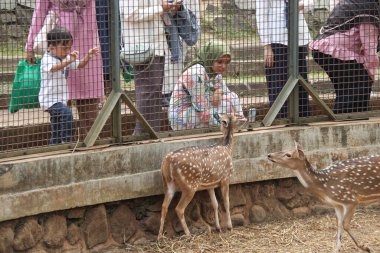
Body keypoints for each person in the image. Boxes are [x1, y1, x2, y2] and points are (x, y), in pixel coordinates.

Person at [25, 0, 104, 139]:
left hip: (87, 35)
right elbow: (39, 12)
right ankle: (61, 142)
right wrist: (30, 46)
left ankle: (92, 140)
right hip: (60, 40)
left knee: (89, 98)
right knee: (60, 99)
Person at [310, 0, 380, 114]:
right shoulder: (368, 8)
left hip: (324, 48)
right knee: (362, 81)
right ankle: (352, 118)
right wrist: (371, 74)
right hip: (333, 50)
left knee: (347, 88)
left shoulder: (354, 2)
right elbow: (369, 47)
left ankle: (344, 117)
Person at [120, 0, 178, 135]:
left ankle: (152, 133)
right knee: (147, 93)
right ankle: (141, 134)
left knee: (155, 92)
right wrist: (159, 8)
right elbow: (130, 14)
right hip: (142, 48)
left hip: (158, 45)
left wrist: (169, 8)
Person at [39, 27, 100, 144]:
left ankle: (54, 145)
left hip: (60, 99)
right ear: (51, 48)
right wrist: (69, 60)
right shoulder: (47, 59)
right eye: (64, 48)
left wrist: (88, 56)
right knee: (67, 113)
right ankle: (66, 142)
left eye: (69, 48)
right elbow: (55, 68)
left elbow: (80, 65)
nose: (67, 51)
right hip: (49, 100)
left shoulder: (65, 58)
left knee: (56, 125)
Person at [168, 41, 245, 130]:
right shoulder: (196, 72)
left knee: (233, 97)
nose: (223, 66)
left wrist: (219, 91)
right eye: (219, 62)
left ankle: (240, 124)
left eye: (226, 62)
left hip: (200, 110)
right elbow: (201, 110)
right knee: (221, 114)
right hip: (182, 116)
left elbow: (227, 94)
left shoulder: (216, 74)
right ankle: (230, 126)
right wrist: (225, 121)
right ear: (210, 58)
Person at [255, 0, 312, 118]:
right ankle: (279, 119)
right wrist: (267, 46)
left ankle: (302, 117)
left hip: (299, 37)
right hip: (277, 38)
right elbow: (261, 15)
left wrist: (297, 6)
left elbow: (310, 3)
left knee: (301, 82)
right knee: (278, 84)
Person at [162, 0, 201, 106]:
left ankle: (174, 93)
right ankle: (166, 93)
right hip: (165, 21)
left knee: (178, 60)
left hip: (184, 17)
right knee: (167, 59)